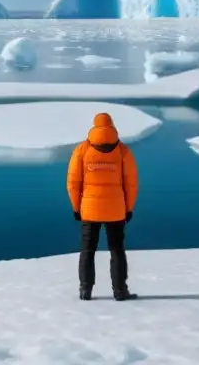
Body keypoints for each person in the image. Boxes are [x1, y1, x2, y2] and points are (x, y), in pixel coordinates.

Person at [66, 111, 139, 301]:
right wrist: (129, 208)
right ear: (112, 126)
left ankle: (85, 290)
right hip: (116, 210)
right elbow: (131, 182)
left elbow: (73, 182)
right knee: (117, 250)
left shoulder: (82, 150)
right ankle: (120, 291)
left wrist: (76, 207)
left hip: (89, 210)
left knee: (87, 250)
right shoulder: (123, 151)